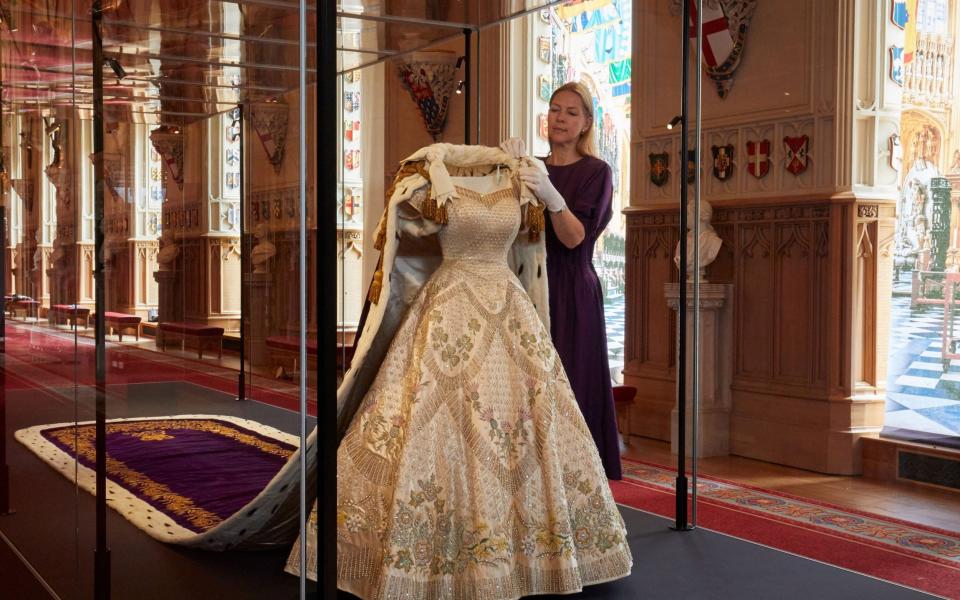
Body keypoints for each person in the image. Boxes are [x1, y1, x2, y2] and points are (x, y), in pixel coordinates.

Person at [286, 143, 632, 597]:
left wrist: (545, 191)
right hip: (448, 306)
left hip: (508, 307)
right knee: (425, 418)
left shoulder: (522, 180)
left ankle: (535, 553)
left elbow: (554, 243)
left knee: (533, 423)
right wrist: (423, 172)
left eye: (570, 112)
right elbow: (403, 233)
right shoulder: (430, 178)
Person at [500, 81, 622, 480]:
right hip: (526, 285)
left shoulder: (597, 172)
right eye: (555, 109)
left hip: (570, 289)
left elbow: (573, 238)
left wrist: (552, 196)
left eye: (572, 112)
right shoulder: (532, 166)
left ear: (586, 123)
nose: (561, 119)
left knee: (570, 380)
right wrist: (503, 173)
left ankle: (575, 474)